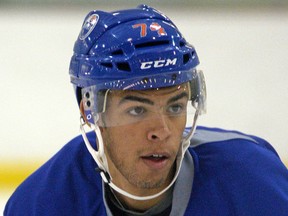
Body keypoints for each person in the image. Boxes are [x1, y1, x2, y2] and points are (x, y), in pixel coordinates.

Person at [4, 4, 288, 216]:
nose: (162, 132)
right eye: (137, 110)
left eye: (175, 105)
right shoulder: (43, 204)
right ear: (90, 111)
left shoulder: (255, 184)